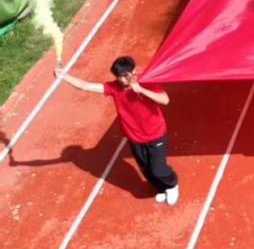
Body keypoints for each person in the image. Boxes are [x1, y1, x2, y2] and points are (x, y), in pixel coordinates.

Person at [55, 56, 179, 205]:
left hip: (155, 134)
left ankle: (172, 185)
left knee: (158, 169)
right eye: (118, 76)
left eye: (125, 75)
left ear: (134, 71)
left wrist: (141, 89)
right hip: (134, 137)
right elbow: (85, 86)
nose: (122, 79)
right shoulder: (114, 87)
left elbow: (165, 100)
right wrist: (64, 76)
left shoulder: (147, 81)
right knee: (146, 169)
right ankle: (162, 188)